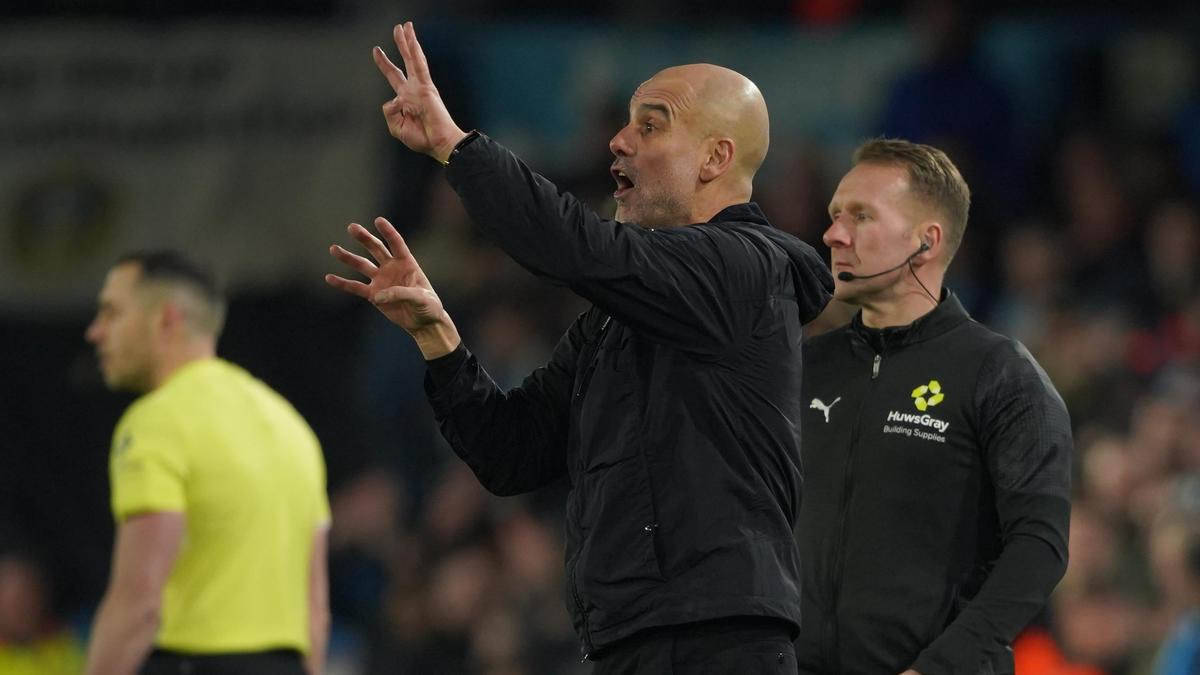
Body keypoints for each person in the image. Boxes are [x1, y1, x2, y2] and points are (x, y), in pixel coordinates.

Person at [326, 22, 833, 674]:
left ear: (715, 158)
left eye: (651, 125)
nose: (619, 140)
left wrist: (455, 145)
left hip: (717, 644)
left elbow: (576, 247)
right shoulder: (611, 324)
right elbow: (512, 454)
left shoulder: (747, 268)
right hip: (625, 640)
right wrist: (439, 340)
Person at [794, 138, 1072, 675]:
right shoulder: (804, 366)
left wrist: (940, 668)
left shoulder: (1000, 374)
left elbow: (1039, 548)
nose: (833, 234)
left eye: (861, 216)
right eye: (834, 215)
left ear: (926, 242)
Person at [83, 251, 331, 675]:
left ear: (166, 319)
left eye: (112, 314)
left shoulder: (157, 421)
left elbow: (139, 604)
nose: (95, 332)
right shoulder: (290, 426)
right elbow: (315, 609)